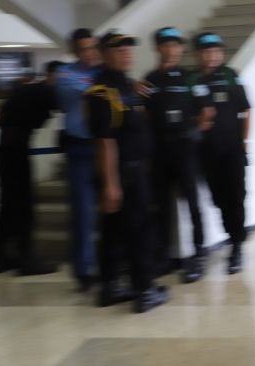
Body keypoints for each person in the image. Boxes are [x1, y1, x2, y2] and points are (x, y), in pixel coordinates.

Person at [86, 32, 167, 313]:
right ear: (104, 55)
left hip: (131, 172)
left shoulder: (127, 87)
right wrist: (111, 184)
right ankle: (145, 289)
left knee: (114, 231)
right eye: (119, 49)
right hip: (124, 175)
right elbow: (105, 142)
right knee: (140, 231)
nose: (126, 53)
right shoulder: (102, 92)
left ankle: (111, 286)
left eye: (128, 49)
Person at [140, 27, 210, 283]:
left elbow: (207, 112)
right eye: (167, 45)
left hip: (185, 151)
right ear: (158, 48)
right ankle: (164, 256)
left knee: (192, 203)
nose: (172, 49)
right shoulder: (149, 81)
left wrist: (194, 133)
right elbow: (144, 116)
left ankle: (199, 253)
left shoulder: (191, 79)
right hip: (159, 153)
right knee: (160, 206)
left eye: (176, 45)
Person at [0, 61, 64, 276]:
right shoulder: (48, 91)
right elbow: (69, 106)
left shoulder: (26, 89)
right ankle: (26, 259)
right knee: (24, 205)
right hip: (15, 151)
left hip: (3, 151)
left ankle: (2, 258)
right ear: (53, 76)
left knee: (8, 205)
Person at [189, 32, 251, 275]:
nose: (211, 56)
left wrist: (244, 142)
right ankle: (231, 234)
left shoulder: (230, 76)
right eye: (206, 51)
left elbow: (246, 110)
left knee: (236, 197)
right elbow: (185, 114)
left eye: (216, 51)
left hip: (233, 151)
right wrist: (197, 122)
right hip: (206, 153)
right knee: (218, 199)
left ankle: (237, 246)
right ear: (197, 55)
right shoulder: (191, 80)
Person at [56, 28, 102, 292]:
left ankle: (109, 263)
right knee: (83, 212)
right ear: (75, 50)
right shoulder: (66, 74)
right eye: (84, 48)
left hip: (104, 147)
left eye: (93, 47)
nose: (90, 52)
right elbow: (96, 93)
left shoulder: (101, 72)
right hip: (80, 151)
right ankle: (84, 270)